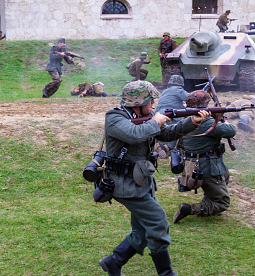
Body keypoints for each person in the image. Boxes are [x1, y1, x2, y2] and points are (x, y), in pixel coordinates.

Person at [99, 81, 209, 276]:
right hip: (125, 184)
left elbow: (166, 133)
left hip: (141, 181)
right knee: (158, 222)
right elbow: (134, 135)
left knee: (142, 230)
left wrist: (192, 121)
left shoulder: (144, 117)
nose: (154, 104)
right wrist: (156, 120)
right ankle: (166, 273)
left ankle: (114, 261)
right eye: (151, 100)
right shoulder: (115, 117)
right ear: (139, 102)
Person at [172, 90, 237, 223]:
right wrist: (220, 121)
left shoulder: (188, 119)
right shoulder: (206, 122)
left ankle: (209, 206)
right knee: (223, 203)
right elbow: (231, 130)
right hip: (208, 167)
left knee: (224, 176)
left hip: (196, 165)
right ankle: (190, 209)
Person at [154, 75, 188, 159]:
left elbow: (170, 103)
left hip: (159, 115)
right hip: (170, 115)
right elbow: (191, 98)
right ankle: (167, 148)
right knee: (180, 129)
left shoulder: (166, 91)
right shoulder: (178, 90)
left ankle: (155, 144)